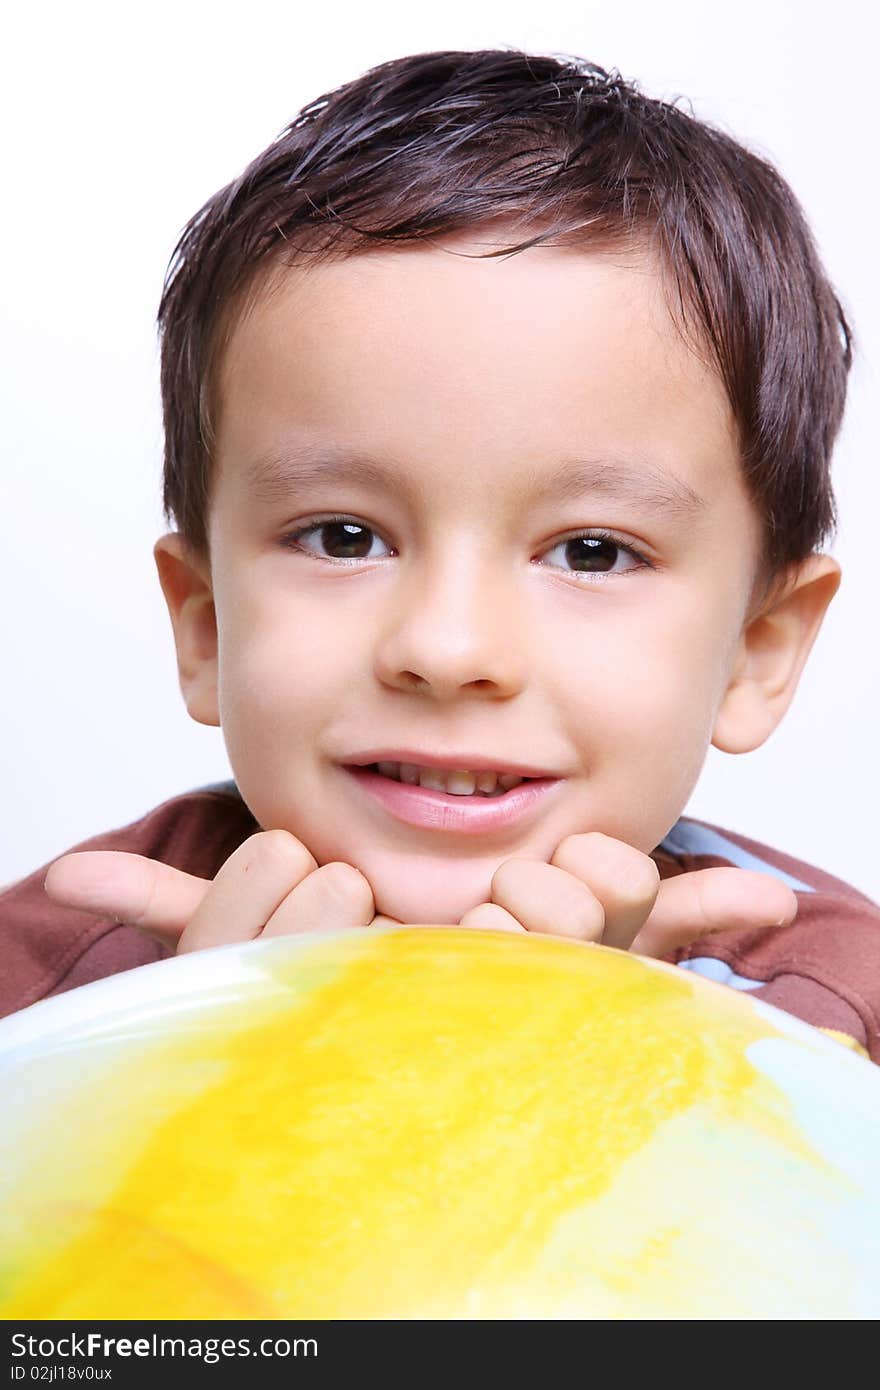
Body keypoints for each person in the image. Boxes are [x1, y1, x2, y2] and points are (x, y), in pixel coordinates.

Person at [3, 49, 878, 1060]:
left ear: (756, 649)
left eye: (591, 552)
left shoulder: (828, 1031)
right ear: (203, 622)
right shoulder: (44, 1002)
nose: (448, 645)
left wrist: (662, 1117)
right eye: (345, 537)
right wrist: (156, 1089)